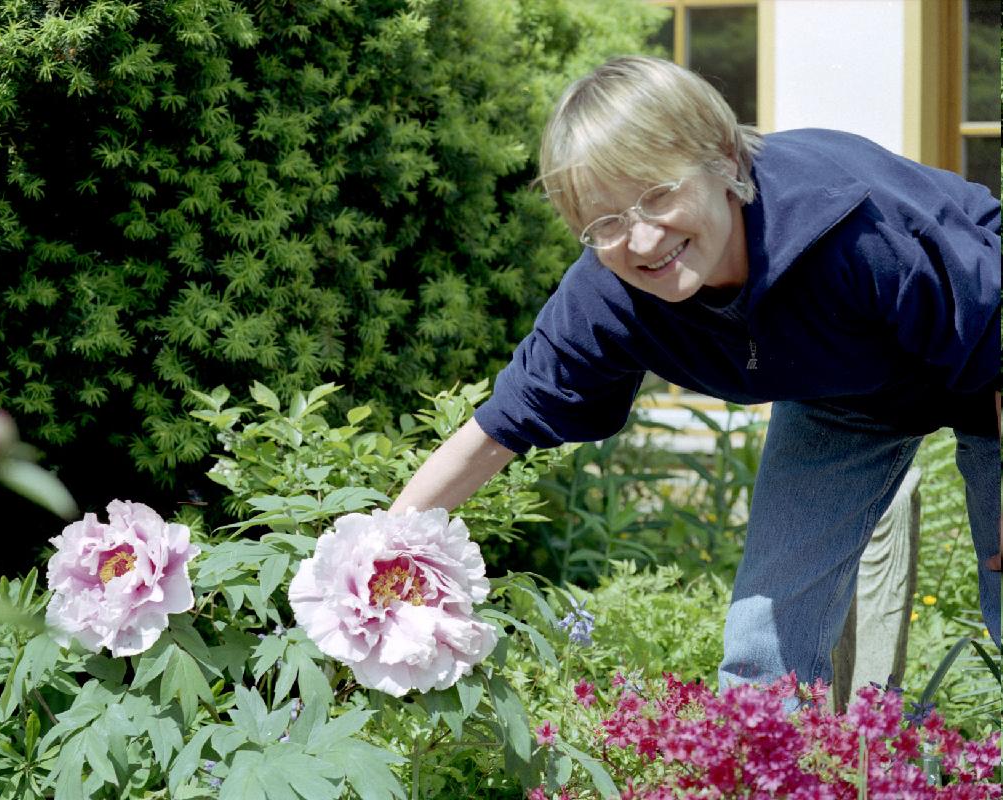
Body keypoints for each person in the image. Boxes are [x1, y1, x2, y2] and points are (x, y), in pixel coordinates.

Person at [390, 56, 1002, 691]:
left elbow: (993, 320)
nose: (644, 240)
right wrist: (371, 557)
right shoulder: (607, 295)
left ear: (726, 164)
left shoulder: (851, 227)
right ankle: (764, 779)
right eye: (605, 224)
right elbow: (499, 428)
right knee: (762, 647)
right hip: (840, 392)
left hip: (990, 359)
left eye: (659, 196)